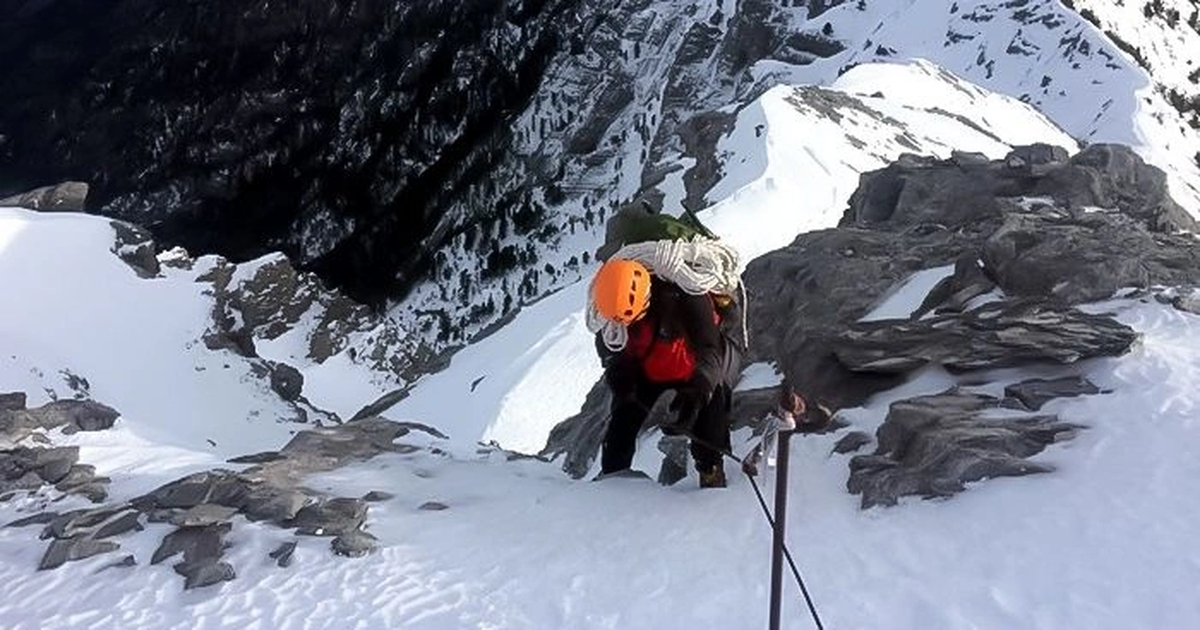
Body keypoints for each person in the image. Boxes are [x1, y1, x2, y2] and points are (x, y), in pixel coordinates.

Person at [590, 257, 742, 488]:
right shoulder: (610, 312)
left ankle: (711, 472)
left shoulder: (688, 296)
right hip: (650, 369)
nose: (624, 325)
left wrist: (698, 390)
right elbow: (611, 350)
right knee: (622, 419)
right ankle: (612, 478)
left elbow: (710, 351)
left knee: (710, 418)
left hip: (695, 371)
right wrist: (619, 376)